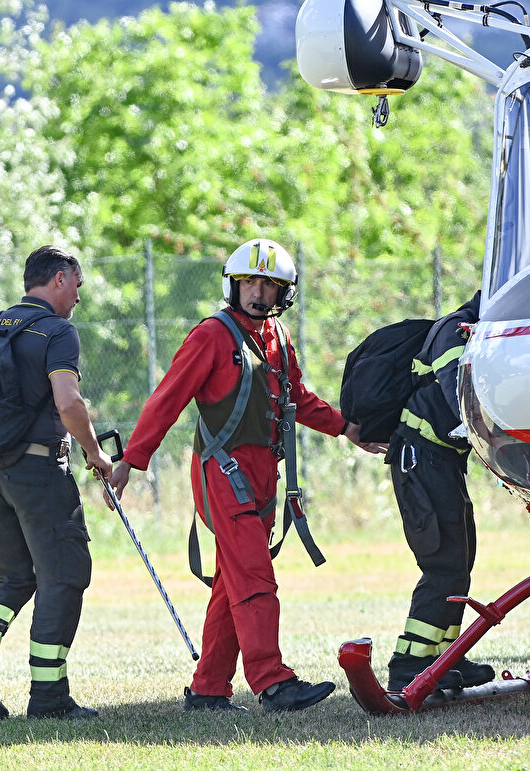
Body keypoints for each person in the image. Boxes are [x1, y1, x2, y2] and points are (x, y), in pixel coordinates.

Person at [110, 238, 351, 713]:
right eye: (250, 282)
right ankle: (273, 681)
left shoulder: (278, 338)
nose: (258, 292)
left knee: (232, 582)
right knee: (255, 575)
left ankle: (207, 689)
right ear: (234, 284)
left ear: (284, 293)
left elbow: (297, 399)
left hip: (264, 474)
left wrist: (348, 428)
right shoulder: (211, 336)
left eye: (268, 284)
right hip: (225, 472)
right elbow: (167, 399)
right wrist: (131, 462)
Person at [0, 245, 113, 721]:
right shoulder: (58, 331)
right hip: (39, 474)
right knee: (63, 576)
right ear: (59, 280)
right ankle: (48, 698)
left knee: (16, 576)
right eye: (77, 286)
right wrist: (95, 453)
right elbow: (68, 402)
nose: (78, 299)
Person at [346, 293, 495, 693]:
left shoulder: (479, 330)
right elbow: (456, 387)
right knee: (443, 563)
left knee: (460, 561)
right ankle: (409, 664)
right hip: (420, 459)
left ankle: (445, 658)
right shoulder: (456, 331)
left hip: (441, 461)